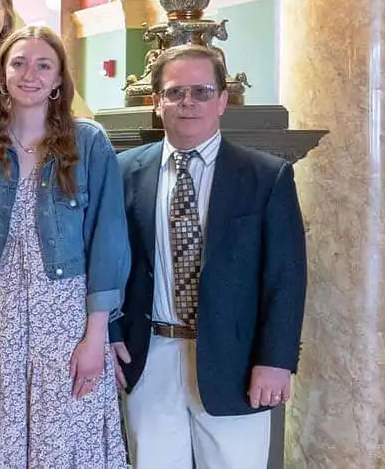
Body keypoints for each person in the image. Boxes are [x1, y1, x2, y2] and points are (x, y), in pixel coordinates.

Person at [111, 45, 307, 469]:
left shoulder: (265, 176)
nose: (187, 103)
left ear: (221, 100)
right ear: (157, 102)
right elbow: (108, 264)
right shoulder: (124, 171)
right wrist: (110, 335)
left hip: (234, 360)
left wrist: (275, 361)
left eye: (201, 92)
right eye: (174, 92)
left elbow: (285, 278)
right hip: (150, 358)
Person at [0, 26, 129, 468]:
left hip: (66, 316)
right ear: (3, 74)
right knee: (3, 439)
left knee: (66, 438)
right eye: (19, 63)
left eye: (43, 65)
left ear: (58, 79)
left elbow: (108, 240)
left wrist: (96, 336)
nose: (30, 74)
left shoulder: (88, 142)